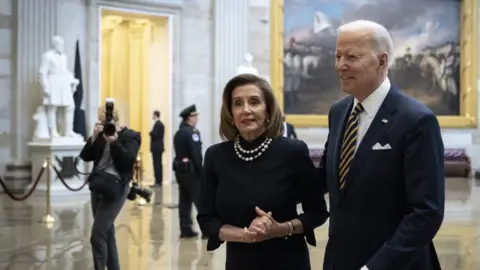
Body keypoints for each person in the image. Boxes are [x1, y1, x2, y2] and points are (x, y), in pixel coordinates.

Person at [320, 20, 444, 270]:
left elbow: (426, 213)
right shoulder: (339, 111)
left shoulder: (417, 120)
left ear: (382, 61)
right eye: (338, 55)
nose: (341, 65)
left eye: (352, 56)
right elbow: (326, 177)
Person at [197, 74, 329, 270]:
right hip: (239, 262)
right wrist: (244, 235)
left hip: (288, 261)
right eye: (238, 103)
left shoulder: (292, 152)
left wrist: (280, 229)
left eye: (254, 102)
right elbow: (207, 220)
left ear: (268, 110)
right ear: (230, 113)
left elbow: (317, 213)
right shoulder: (216, 156)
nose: (246, 110)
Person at [80, 105, 141, 270]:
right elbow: (85, 156)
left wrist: (114, 142)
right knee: (107, 232)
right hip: (98, 186)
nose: (105, 121)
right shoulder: (100, 135)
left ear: (116, 117)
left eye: (107, 118)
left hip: (116, 189)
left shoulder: (130, 136)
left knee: (97, 234)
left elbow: (128, 161)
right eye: (102, 118)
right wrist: (93, 137)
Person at [173, 104, 203, 238]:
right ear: (190, 117)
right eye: (195, 116)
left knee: (184, 200)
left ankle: (185, 229)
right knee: (200, 200)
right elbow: (196, 154)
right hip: (192, 172)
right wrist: (201, 171)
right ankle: (207, 230)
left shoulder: (178, 133)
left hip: (180, 171)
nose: (197, 119)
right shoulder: (193, 133)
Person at [150, 110, 165, 188]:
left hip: (157, 148)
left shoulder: (158, 124)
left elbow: (155, 135)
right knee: (157, 164)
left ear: (155, 115)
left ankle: (158, 181)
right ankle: (158, 181)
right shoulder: (159, 124)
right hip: (158, 148)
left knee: (157, 165)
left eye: (153, 115)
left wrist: (151, 132)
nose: (152, 116)